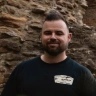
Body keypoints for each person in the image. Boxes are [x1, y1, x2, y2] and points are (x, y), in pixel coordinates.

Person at [1, 9, 96, 96]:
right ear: (41, 36)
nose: (53, 37)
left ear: (69, 37)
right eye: (48, 33)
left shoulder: (82, 74)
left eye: (59, 33)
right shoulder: (22, 70)